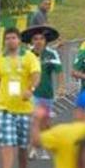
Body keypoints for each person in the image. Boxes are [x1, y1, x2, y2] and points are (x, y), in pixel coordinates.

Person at [0, 27, 41, 168]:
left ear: (19, 40)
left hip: (24, 108)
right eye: (7, 38)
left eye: (13, 38)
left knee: (22, 145)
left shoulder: (29, 57)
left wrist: (30, 89)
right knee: (7, 140)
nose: (10, 41)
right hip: (5, 107)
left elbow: (36, 75)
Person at [26, 26, 63, 160]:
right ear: (32, 41)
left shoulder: (51, 54)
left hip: (47, 93)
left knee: (45, 123)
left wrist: (61, 87)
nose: (38, 41)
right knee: (36, 120)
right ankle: (34, 148)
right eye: (35, 39)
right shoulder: (27, 55)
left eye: (41, 39)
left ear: (45, 41)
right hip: (32, 93)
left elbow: (59, 71)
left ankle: (46, 147)